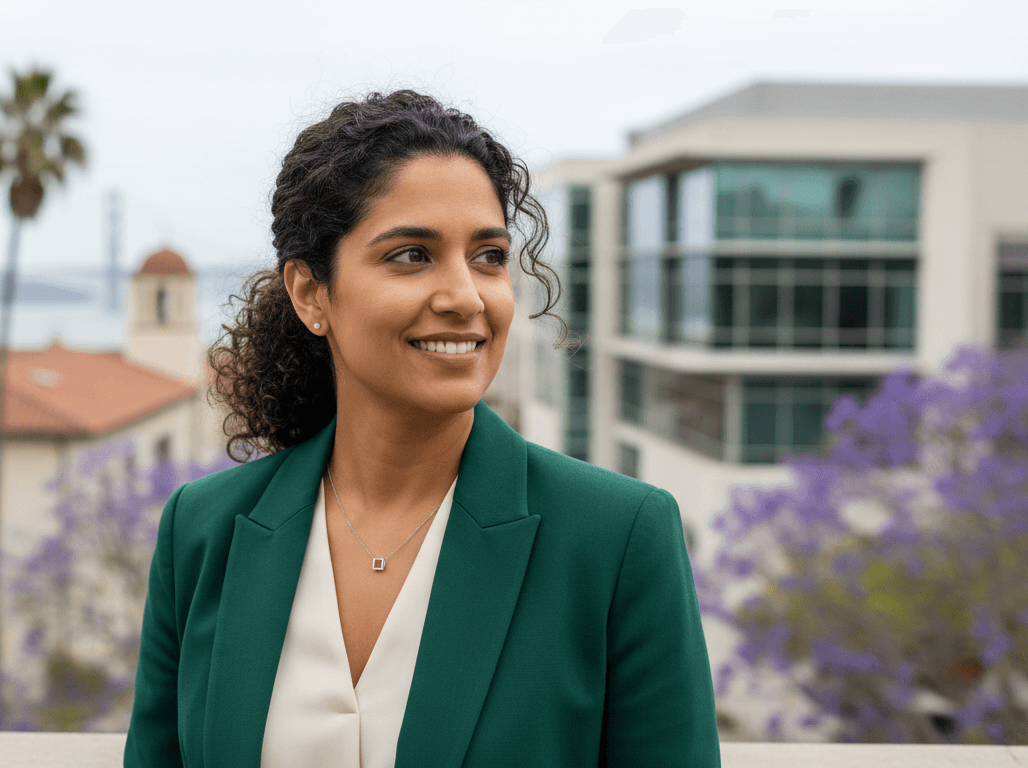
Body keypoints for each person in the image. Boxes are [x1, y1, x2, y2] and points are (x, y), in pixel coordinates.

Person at [124, 90, 719, 767]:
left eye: (489, 256)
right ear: (311, 293)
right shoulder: (202, 533)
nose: (465, 297)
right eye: (412, 255)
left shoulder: (618, 540)